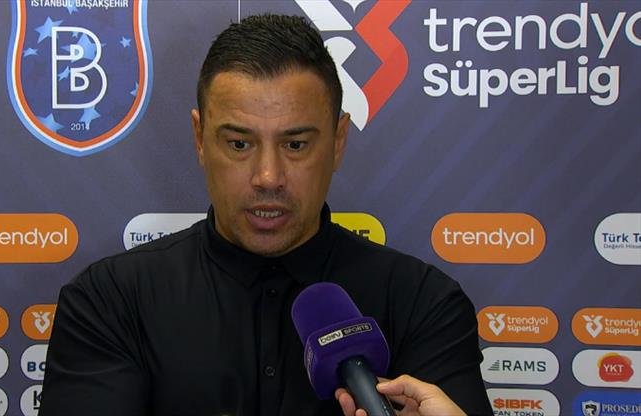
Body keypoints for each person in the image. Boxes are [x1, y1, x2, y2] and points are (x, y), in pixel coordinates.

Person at [39, 14, 492, 416]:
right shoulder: (109, 302)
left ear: (338, 142)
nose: (268, 177)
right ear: (200, 139)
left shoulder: (424, 303)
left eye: (295, 144)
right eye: (239, 144)